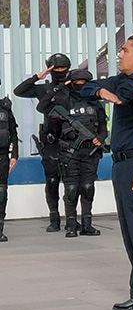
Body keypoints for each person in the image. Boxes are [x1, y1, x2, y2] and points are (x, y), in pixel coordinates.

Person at [14, 53, 71, 232]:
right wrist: (38, 76)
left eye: (63, 68)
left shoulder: (72, 87)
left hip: (71, 139)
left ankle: (72, 218)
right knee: (52, 181)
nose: (60, 71)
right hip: (51, 140)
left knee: (73, 183)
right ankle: (54, 218)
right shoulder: (43, 89)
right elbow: (19, 91)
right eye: (57, 68)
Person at [49, 68, 107, 238]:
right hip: (69, 152)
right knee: (72, 189)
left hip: (90, 152)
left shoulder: (95, 104)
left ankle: (87, 225)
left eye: (84, 84)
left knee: (88, 188)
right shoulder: (63, 103)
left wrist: (100, 138)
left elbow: (103, 127)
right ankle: (71, 225)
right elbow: (51, 125)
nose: (80, 87)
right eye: (77, 84)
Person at [0, 91, 17, 242]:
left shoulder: (5, 108)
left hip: (2, 156)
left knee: (1, 193)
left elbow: (13, 132)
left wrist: (15, 155)